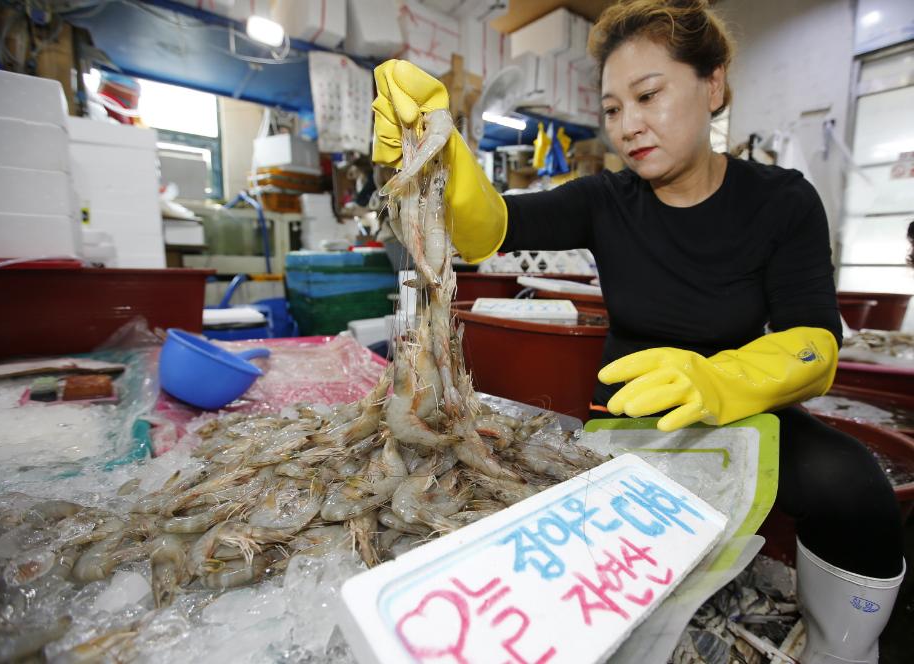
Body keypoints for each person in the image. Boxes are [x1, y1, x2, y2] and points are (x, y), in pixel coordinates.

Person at [371, 1, 905, 661]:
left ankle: (840, 648)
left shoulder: (782, 200)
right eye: (613, 108)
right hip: (625, 419)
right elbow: (490, 227)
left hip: (744, 411)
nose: (628, 125)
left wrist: (722, 377)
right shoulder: (606, 200)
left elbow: (814, 342)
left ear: (713, 85)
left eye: (648, 96)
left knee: (853, 484)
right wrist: (439, 147)